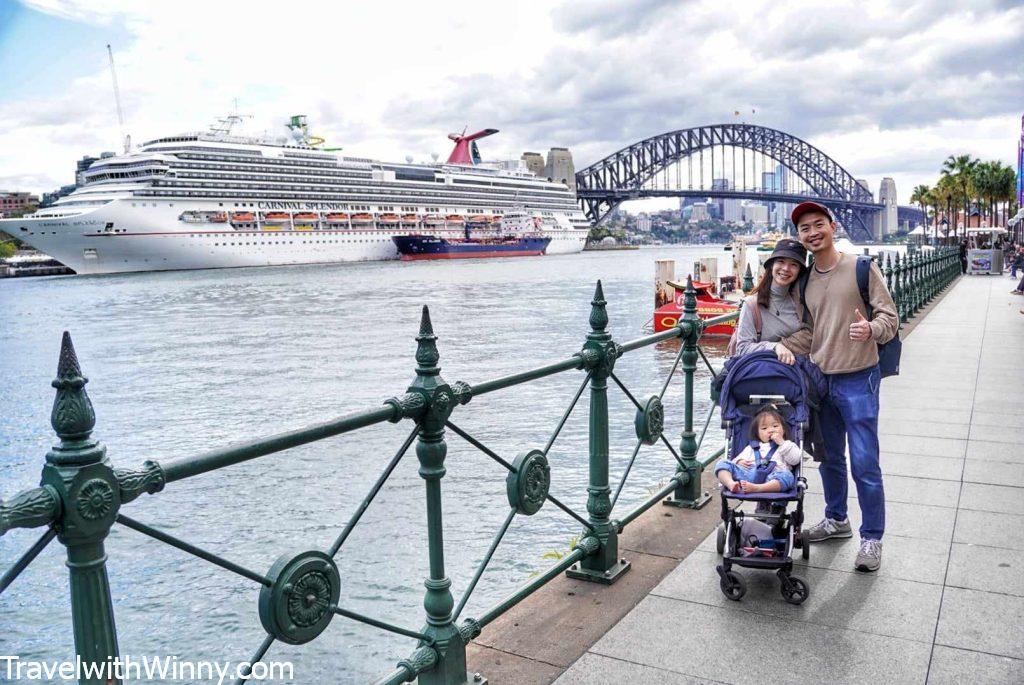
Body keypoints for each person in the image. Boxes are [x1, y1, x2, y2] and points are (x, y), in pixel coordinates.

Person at [786, 201, 899, 573]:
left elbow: (889, 316)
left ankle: (872, 538)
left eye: (818, 224)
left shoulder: (861, 268)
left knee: (865, 462)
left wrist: (871, 329)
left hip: (858, 377)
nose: (812, 232)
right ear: (800, 237)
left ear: (832, 226)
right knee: (829, 458)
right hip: (821, 380)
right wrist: (774, 348)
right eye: (804, 228)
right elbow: (809, 331)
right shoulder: (803, 280)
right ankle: (837, 520)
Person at [732, 238, 811, 364]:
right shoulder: (752, 304)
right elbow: (742, 349)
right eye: (781, 261)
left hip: (793, 374)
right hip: (762, 374)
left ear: (799, 272)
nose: (786, 268)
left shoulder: (801, 303)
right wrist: (775, 347)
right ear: (772, 265)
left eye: (793, 264)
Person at [715, 406, 805, 494]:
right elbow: (735, 462)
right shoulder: (752, 447)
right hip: (749, 474)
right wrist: (739, 461)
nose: (770, 430)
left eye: (775, 426)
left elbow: (795, 460)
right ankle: (731, 484)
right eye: (764, 428)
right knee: (723, 463)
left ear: (784, 429)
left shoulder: (787, 445)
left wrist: (781, 442)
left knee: (788, 477)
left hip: (772, 477)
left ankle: (758, 488)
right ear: (758, 434)